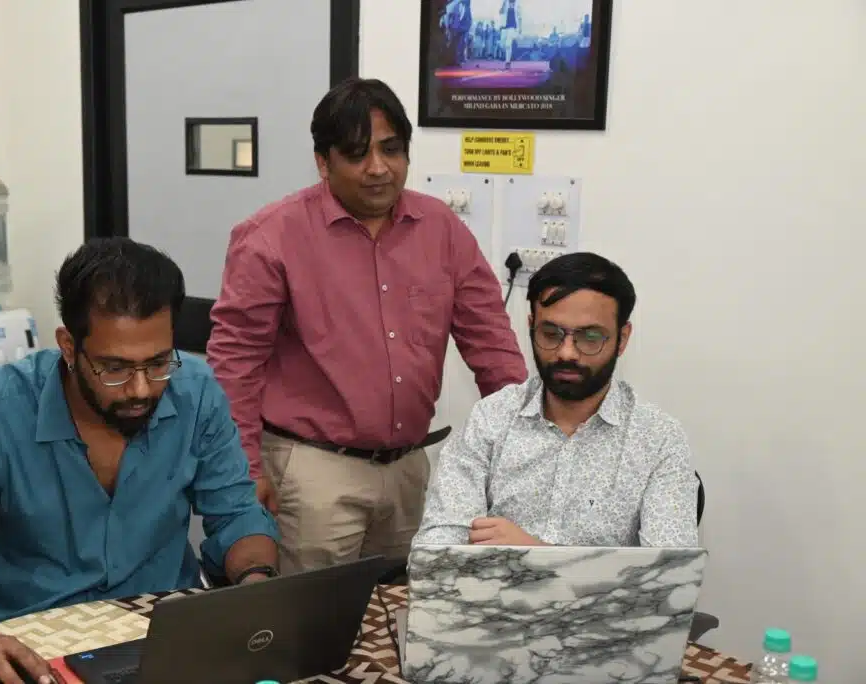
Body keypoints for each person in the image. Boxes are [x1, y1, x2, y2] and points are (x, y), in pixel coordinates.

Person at [0, 238, 279, 684]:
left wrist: (256, 589)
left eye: (158, 363)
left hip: (158, 639)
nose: (141, 389)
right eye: (115, 368)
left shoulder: (197, 392)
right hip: (24, 644)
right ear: (69, 347)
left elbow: (238, 516)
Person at [206, 77, 527, 575]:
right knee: (309, 618)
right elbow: (236, 366)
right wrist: (245, 473)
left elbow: (492, 345)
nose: (378, 168)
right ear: (323, 161)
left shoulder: (441, 228)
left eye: (391, 150)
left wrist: (528, 452)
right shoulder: (271, 237)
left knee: (398, 610)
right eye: (357, 154)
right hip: (312, 476)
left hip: (408, 470)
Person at [414, 252, 699, 548]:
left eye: (590, 337)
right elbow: (438, 549)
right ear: (531, 327)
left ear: (622, 338)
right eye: (551, 334)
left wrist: (535, 553)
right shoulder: (491, 419)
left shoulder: (658, 438)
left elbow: (667, 572)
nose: (566, 353)